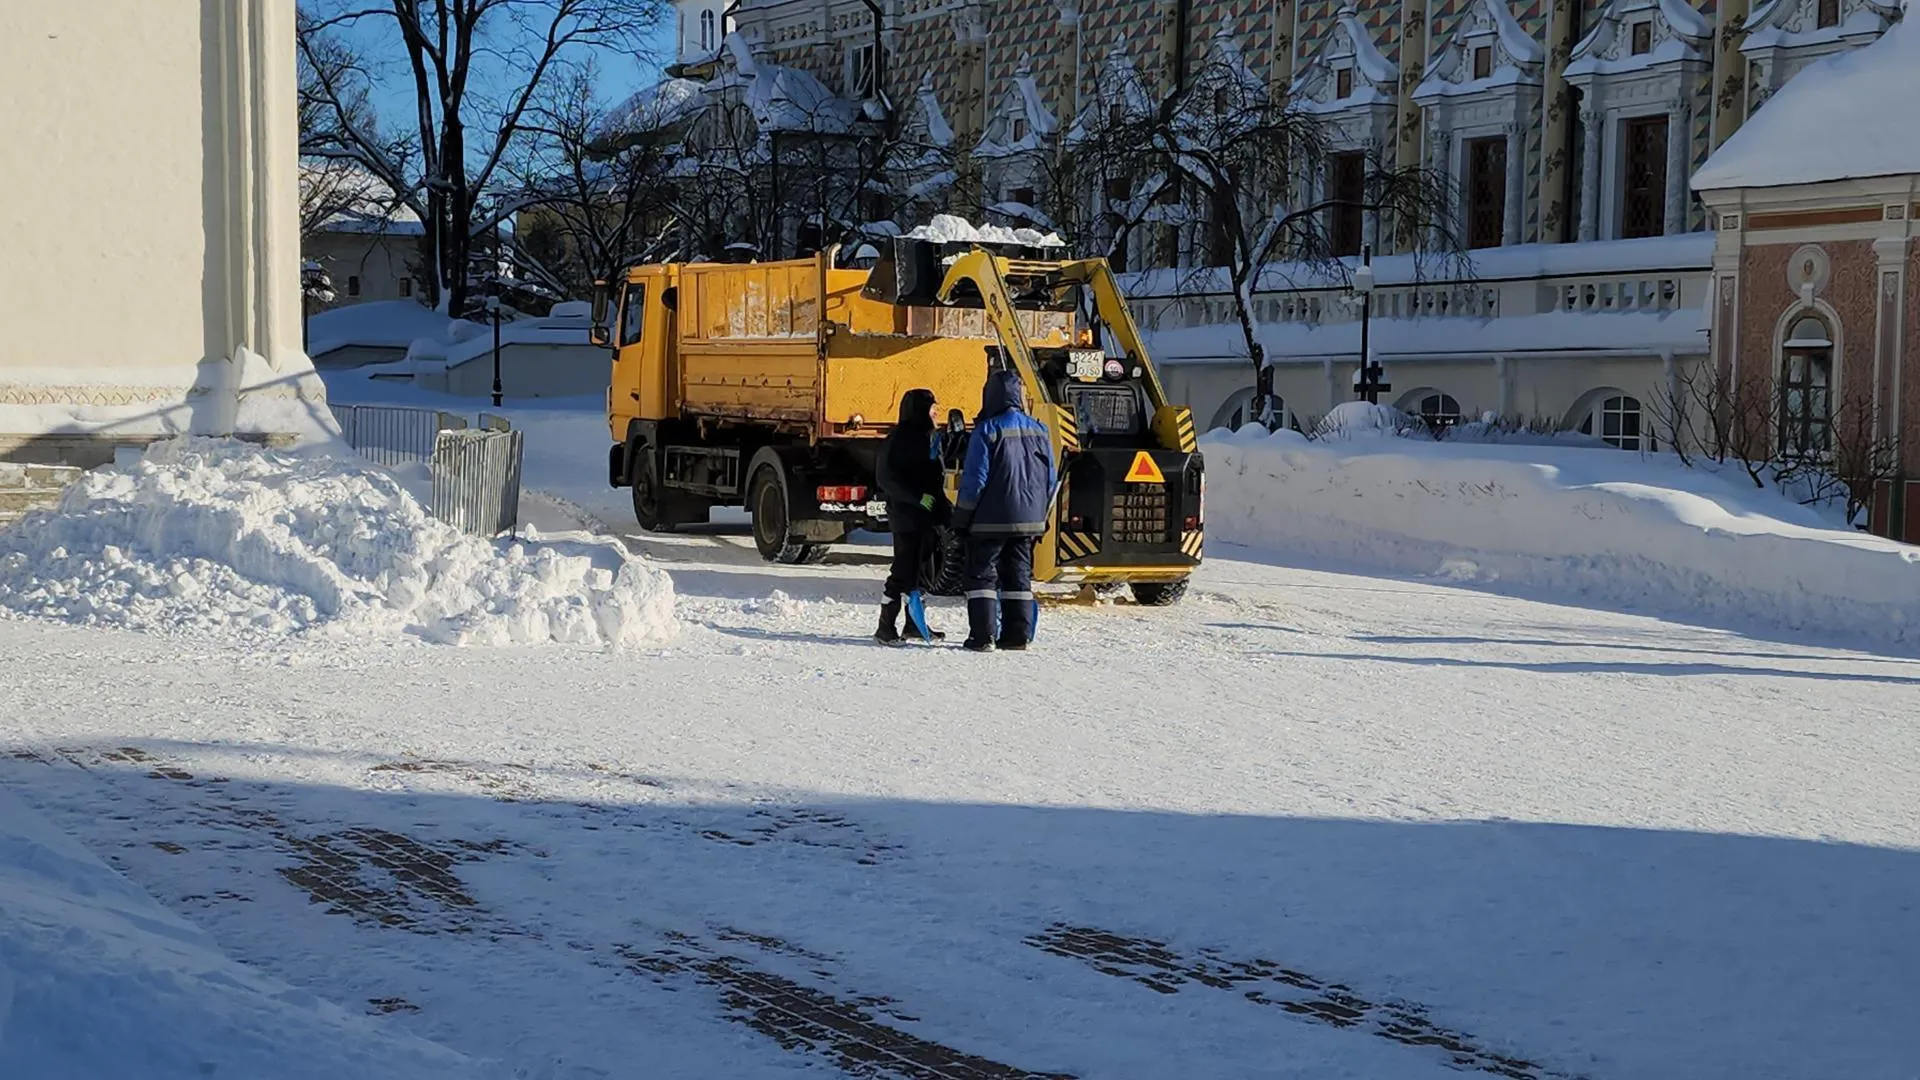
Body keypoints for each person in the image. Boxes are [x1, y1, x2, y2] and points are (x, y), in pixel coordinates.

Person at [952, 370, 1055, 652]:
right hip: (1029, 520)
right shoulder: (1040, 430)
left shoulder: (987, 430)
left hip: (990, 520)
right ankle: (1017, 636)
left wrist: (962, 517)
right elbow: (1050, 479)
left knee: (982, 576)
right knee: (1018, 576)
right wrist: (1039, 513)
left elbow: (975, 481)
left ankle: (983, 637)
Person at [873, 387, 947, 643]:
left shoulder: (930, 437)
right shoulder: (898, 439)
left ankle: (914, 624)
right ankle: (885, 627)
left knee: (923, 572)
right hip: (906, 517)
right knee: (903, 571)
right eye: (931, 407)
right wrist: (916, 497)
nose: (936, 411)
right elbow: (886, 478)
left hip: (927, 518)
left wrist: (945, 512)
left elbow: (934, 478)